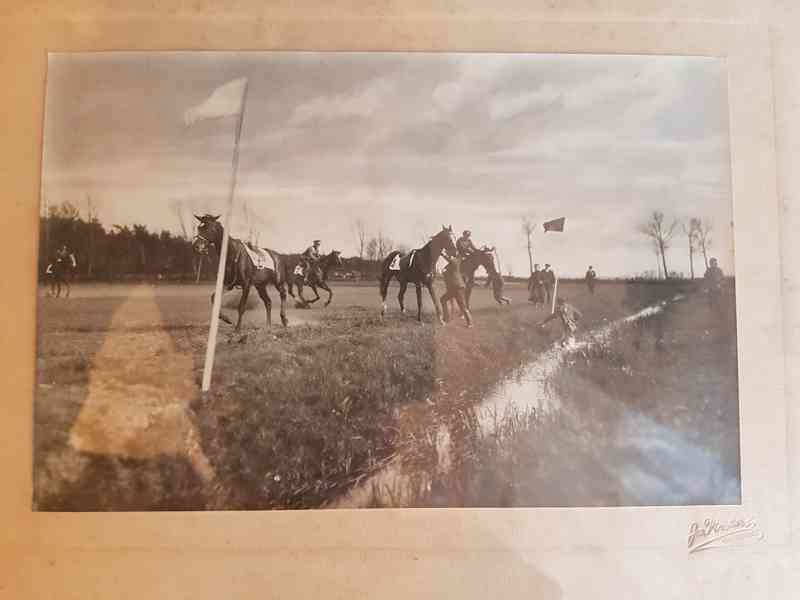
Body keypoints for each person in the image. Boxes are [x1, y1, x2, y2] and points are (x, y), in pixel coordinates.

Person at [440, 253, 473, 327]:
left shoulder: (456, 262)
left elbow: (450, 259)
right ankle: (446, 318)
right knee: (443, 299)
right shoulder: (454, 263)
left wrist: (443, 254)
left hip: (458, 288)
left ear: (459, 257)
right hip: (454, 288)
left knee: (462, 306)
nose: (453, 256)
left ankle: (470, 323)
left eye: (456, 255)